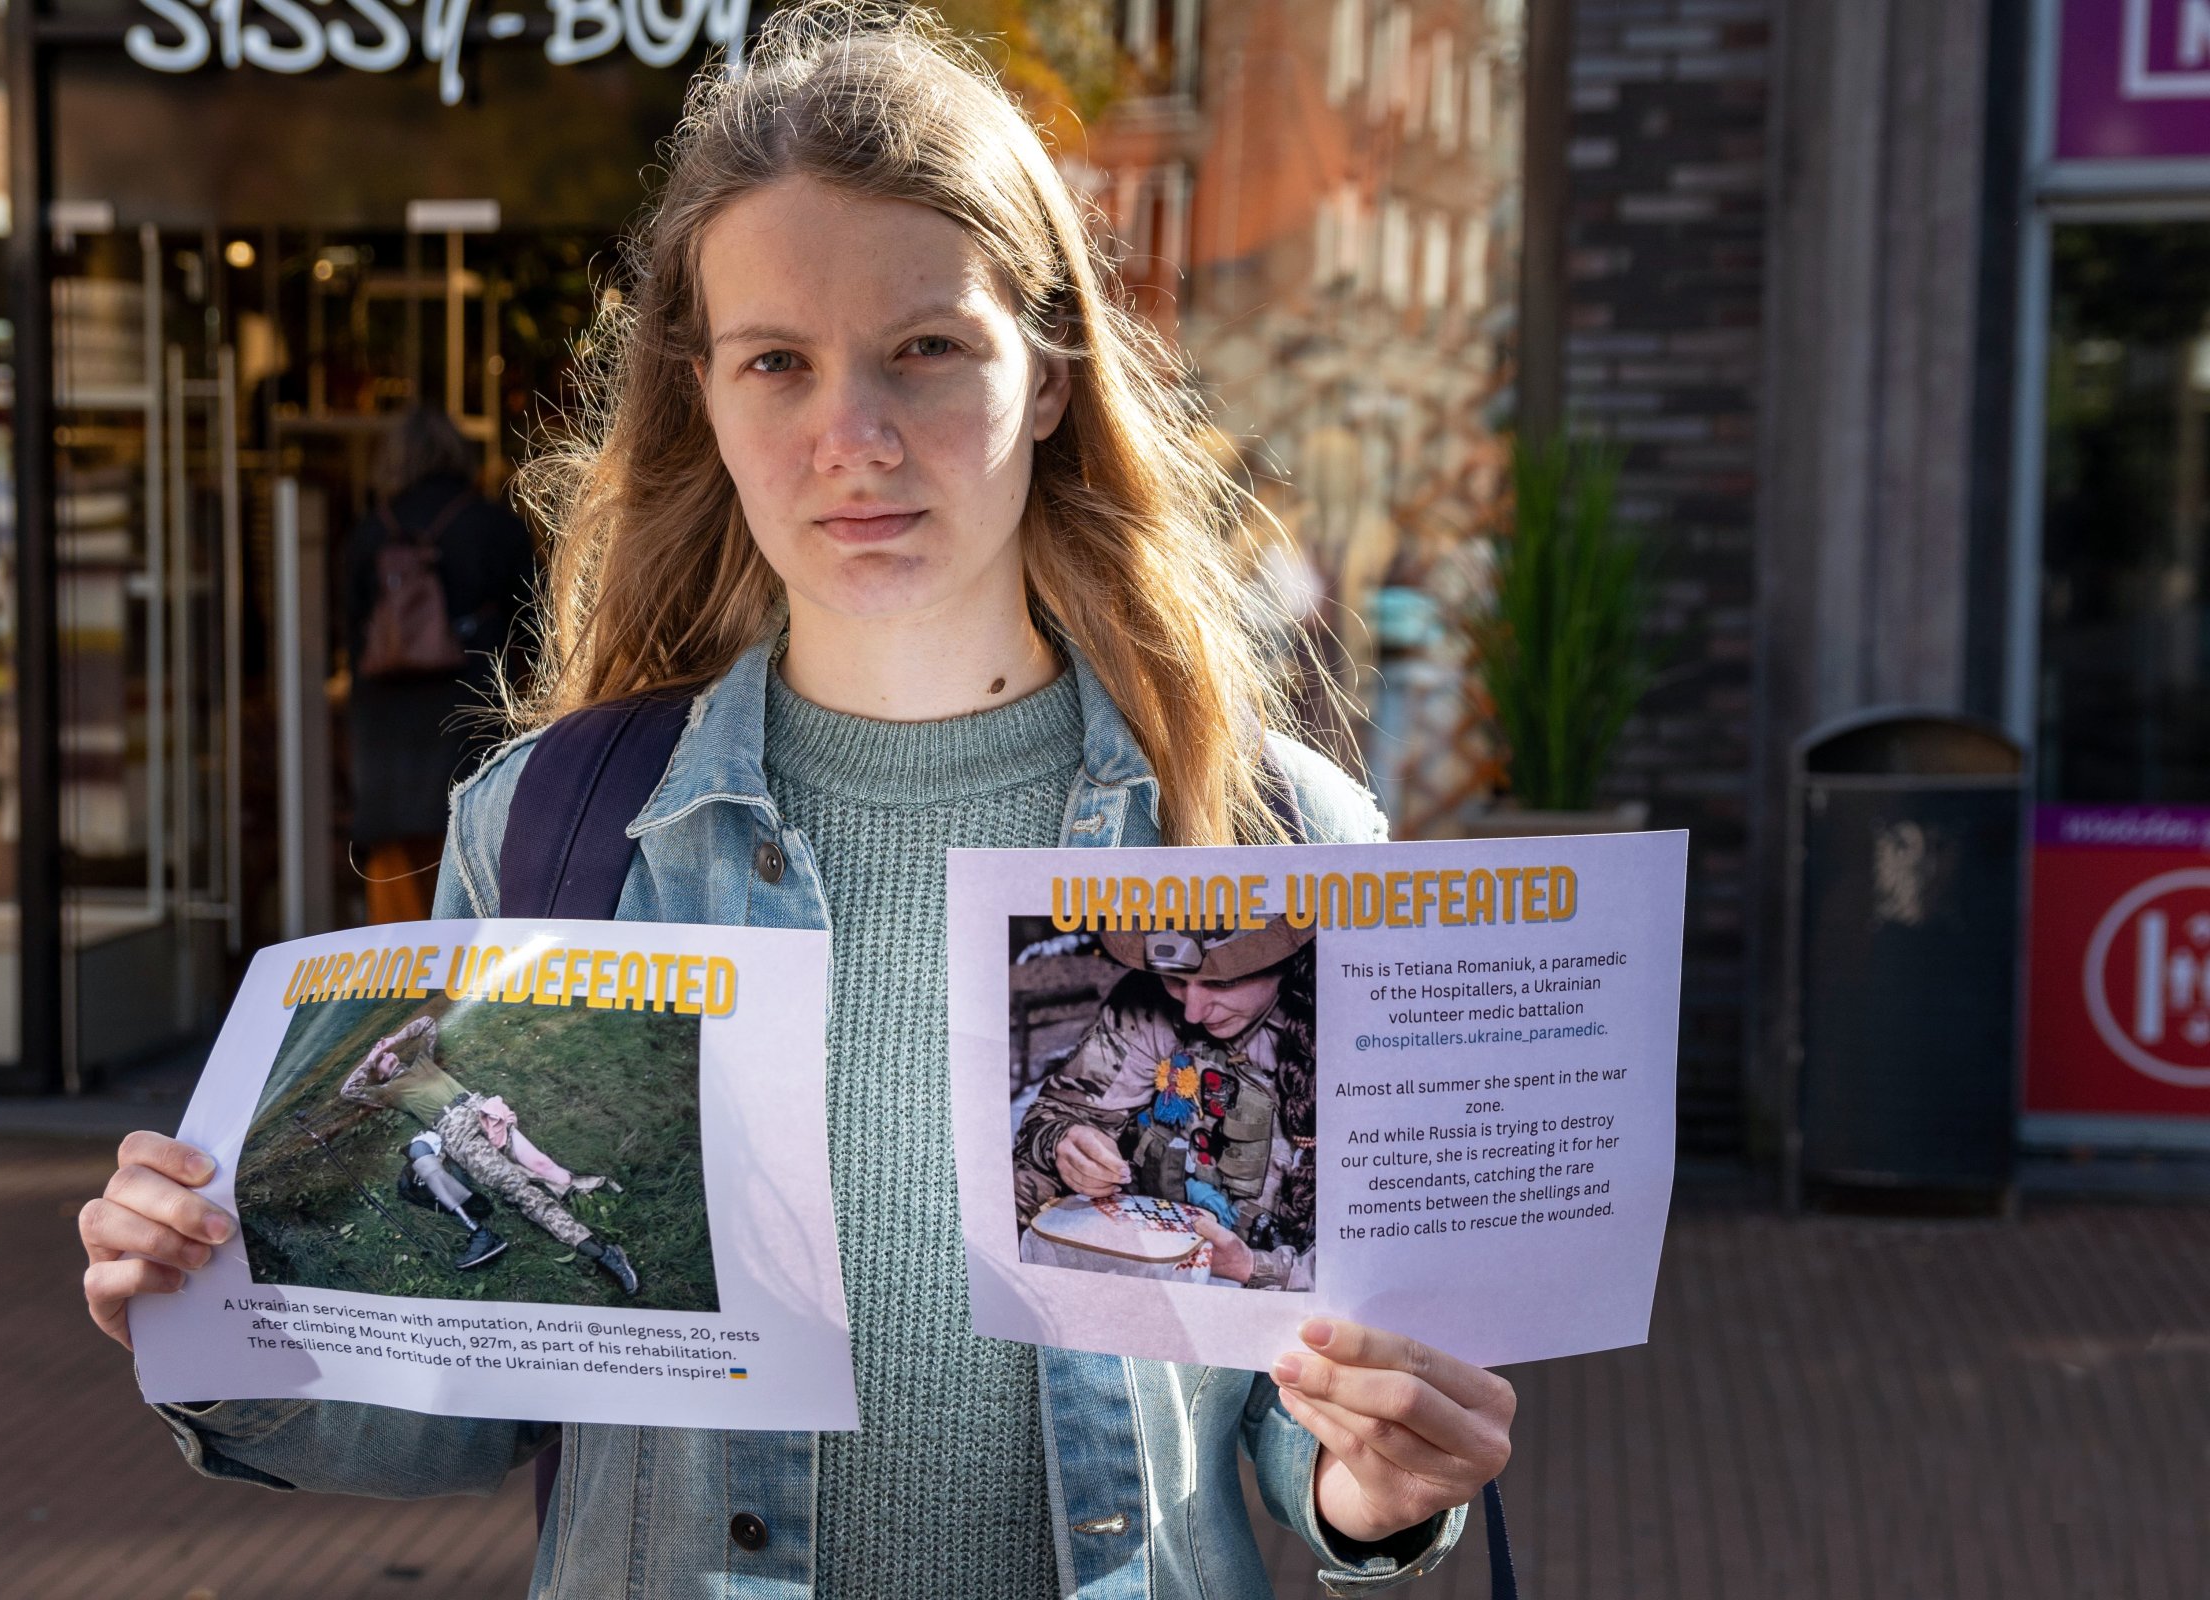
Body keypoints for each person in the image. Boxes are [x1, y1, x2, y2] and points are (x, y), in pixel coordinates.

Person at [76, 7, 1515, 1594]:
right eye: (778, 363)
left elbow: (1296, 1387)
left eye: (927, 348)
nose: (854, 439)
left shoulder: (1272, 840)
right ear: (707, 399)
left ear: (1047, 377)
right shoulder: (558, 829)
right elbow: (466, 1395)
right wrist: (219, 1320)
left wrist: (1372, 1479)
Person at [1013, 923, 1318, 1290]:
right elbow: (1063, 1111)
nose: (1192, 1012)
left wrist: (1253, 1267)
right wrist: (1062, 1141)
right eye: (1176, 980)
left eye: (1222, 982)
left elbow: (1358, 1266)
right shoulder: (1147, 1004)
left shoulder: (1344, 1025)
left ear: (1282, 961)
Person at [343, 407, 537, 922]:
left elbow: (350, 642)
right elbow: (538, 636)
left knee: (397, 928)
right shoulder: (496, 527)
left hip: (384, 747)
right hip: (471, 730)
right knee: (475, 905)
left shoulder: (368, 536)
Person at [334, 1015, 630, 1285]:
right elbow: (349, 1090)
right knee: (519, 1191)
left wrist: (393, 1040)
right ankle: (600, 1252)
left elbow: (426, 1024)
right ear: (378, 1075)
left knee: (541, 1164)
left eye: (385, 1053)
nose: (385, 1055)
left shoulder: (423, 1060)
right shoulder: (388, 1092)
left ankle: (583, 1193)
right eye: (381, 1061)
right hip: (457, 1133)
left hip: (482, 1109)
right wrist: (370, 1059)